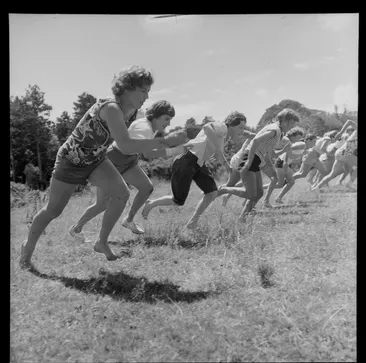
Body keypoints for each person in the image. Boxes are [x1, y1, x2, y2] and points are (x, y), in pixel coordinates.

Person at [19, 65, 187, 269]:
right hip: (70, 160)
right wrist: (166, 142)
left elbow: (140, 132)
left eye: (148, 91)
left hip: (96, 159)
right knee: (53, 210)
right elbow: (125, 145)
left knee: (121, 194)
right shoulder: (112, 108)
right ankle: (27, 249)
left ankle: (102, 242)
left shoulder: (134, 111)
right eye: (143, 90)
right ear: (127, 88)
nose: (147, 95)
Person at [68, 100, 187, 237]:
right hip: (112, 160)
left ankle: (129, 220)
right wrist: (175, 151)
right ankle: (76, 228)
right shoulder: (145, 128)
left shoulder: (149, 124)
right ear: (156, 116)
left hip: (129, 160)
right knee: (102, 204)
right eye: (166, 118)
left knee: (146, 187)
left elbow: (140, 115)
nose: (169, 123)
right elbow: (147, 153)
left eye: (170, 119)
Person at [141, 111, 248, 228]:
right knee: (178, 200)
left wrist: (227, 166)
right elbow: (207, 127)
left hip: (198, 163)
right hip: (187, 159)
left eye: (243, 128)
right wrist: (218, 148)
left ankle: (193, 222)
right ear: (231, 124)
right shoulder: (222, 127)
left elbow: (218, 153)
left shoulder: (223, 138)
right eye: (240, 127)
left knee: (212, 193)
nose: (241, 131)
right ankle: (151, 204)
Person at [217, 108, 300, 221]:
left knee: (259, 193)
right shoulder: (274, 130)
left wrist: (284, 150)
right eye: (291, 124)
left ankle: (242, 218)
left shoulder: (279, 132)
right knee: (251, 194)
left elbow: (270, 154)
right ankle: (224, 189)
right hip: (248, 157)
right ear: (285, 120)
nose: (292, 128)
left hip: (255, 159)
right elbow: (256, 141)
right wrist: (250, 160)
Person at [262, 126, 305, 206]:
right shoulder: (287, 140)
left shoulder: (289, 141)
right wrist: (285, 162)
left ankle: (277, 198)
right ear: (293, 135)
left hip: (281, 162)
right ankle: (264, 197)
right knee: (279, 183)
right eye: (298, 138)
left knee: (290, 182)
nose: (299, 140)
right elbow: (286, 153)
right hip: (281, 162)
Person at [312, 124, 357, 191]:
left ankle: (316, 188)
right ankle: (348, 183)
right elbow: (349, 121)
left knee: (332, 174)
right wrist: (340, 132)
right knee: (333, 174)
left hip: (344, 154)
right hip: (345, 153)